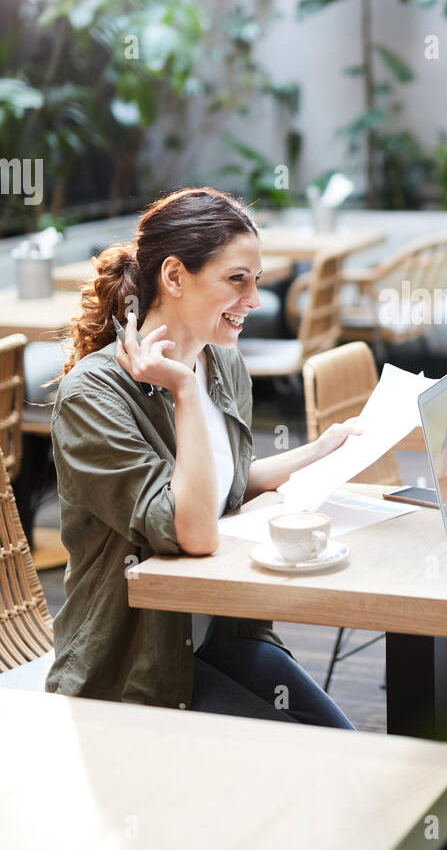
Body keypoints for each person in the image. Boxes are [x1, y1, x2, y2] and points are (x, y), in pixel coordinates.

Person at [45, 186, 356, 728]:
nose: (254, 299)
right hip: (136, 669)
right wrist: (185, 393)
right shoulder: (93, 397)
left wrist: (324, 448)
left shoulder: (224, 362)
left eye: (256, 280)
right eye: (237, 279)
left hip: (223, 633)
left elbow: (224, 486)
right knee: (314, 765)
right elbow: (194, 531)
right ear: (173, 277)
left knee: (347, 747)